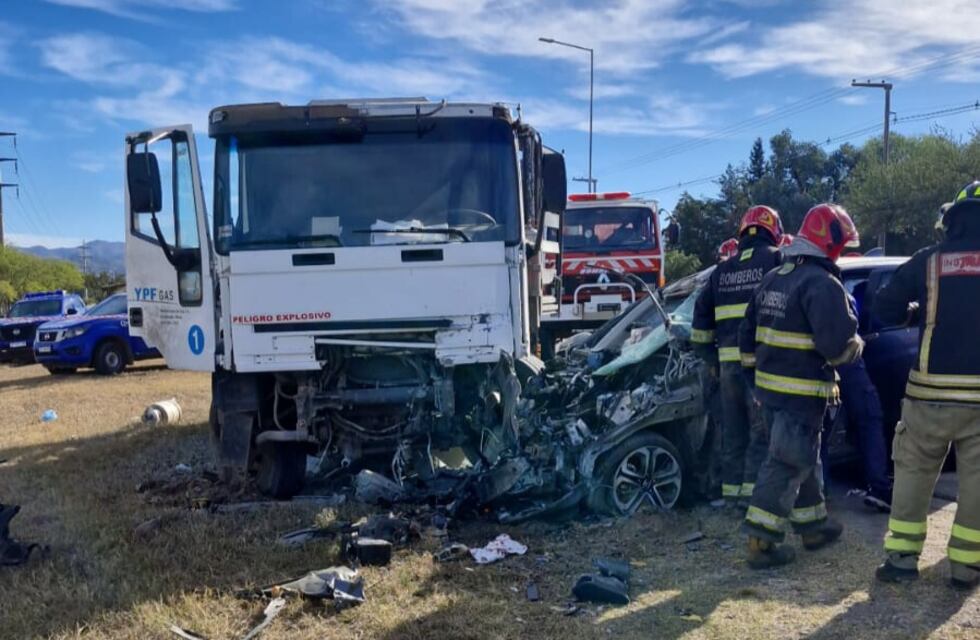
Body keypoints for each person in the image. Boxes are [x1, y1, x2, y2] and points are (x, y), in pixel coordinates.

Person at [739, 203, 864, 569]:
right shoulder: (822, 283)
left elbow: (746, 335)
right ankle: (761, 542)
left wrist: (754, 383)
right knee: (788, 462)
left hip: (770, 393)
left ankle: (812, 526)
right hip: (801, 392)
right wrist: (857, 346)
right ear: (831, 242)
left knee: (804, 457)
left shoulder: (776, 277)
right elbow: (837, 347)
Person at [873, 181, 980, 590]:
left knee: (914, 473)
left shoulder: (929, 261)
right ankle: (967, 568)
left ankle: (901, 560)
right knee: (976, 484)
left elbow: (883, 307)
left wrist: (916, 310)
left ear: (952, 219)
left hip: (928, 395)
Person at [692, 206, 784, 507]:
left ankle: (732, 496)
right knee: (761, 433)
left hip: (727, 367)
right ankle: (752, 500)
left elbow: (700, 322)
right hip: (762, 365)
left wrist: (710, 358)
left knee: (733, 433)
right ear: (773, 231)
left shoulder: (722, 271)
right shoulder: (775, 260)